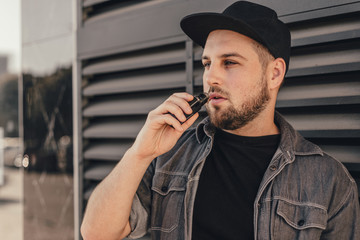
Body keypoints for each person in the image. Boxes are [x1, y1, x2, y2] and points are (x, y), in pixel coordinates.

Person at [80, 1, 360, 240]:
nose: (211, 77)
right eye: (207, 63)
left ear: (274, 74)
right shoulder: (169, 156)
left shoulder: (329, 182)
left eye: (229, 62)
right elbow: (96, 233)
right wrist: (139, 153)